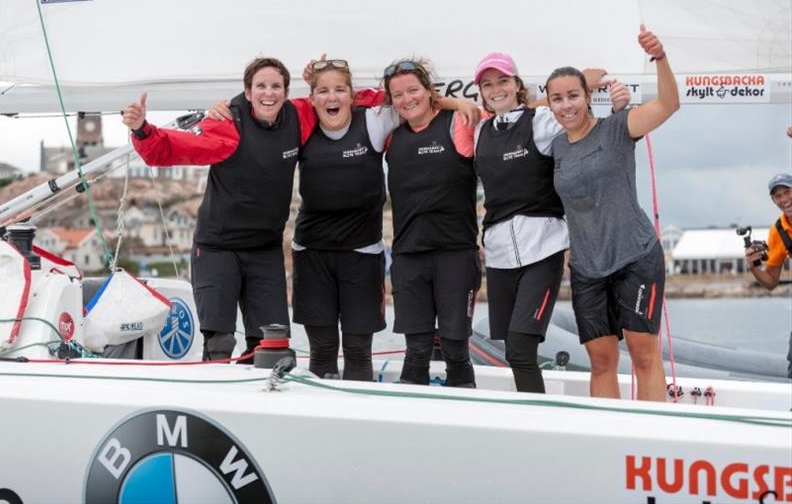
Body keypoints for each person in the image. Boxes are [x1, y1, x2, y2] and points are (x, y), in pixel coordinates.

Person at [209, 57, 478, 381]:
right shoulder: (303, 126)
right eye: (323, 91)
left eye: (340, 89)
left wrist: (458, 101)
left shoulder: (375, 121)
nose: (331, 97)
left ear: (353, 95)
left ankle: (359, 425)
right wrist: (226, 106)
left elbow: (413, 104)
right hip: (312, 253)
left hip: (362, 254)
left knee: (357, 350)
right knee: (322, 350)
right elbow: (262, 114)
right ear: (311, 99)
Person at [122, 57, 316, 362]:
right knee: (220, 342)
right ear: (248, 92)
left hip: (264, 249)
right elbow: (173, 148)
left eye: (276, 86)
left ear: (287, 92)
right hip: (218, 248)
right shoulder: (227, 124)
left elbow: (343, 99)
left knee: (271, 344)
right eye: (261, 86)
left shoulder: (299, 117)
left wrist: (402, 91)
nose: (269, 93)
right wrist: (142, 130)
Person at [471, 54, 630, 393]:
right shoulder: (481, 130)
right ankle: (533, 423)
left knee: (520, 346)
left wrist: (587, 86)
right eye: (488, 84)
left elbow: (575, 118)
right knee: (513, 350)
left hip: (543, 249)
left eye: (503, 81)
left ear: (518, 85)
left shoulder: (541, 120)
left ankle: (538, 423)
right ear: (481, 92)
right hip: (499, 255)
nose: (496, 89)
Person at [546, 25, 680, 401]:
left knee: (642, 356)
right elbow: (523, 108)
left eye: (573, 96)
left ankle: (651, 439)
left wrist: (660, 58)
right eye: (556, 99)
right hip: (587, 269)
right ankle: (609, 441)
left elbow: (669, 105)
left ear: (588, 98)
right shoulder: (555, 146)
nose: (565, 105)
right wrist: (586, 77)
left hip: (635, 257)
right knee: (601, 361)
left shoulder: (617, 128)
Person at [383, 59, 481, 388]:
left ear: (429, 92)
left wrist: (453, 102)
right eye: (398, 94)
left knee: (455, 349)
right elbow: (350, 103)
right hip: (409, 256)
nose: (406, 99)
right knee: (416, 352)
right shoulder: (391, 137)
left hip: (455, 253)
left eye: (413, 90)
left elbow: (502, 112)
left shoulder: (458, 123)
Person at [746, 170, 792, 379]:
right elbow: (771, 282)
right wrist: (754, 266)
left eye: (787, 191)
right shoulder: (778, 231)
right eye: (777, 195)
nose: (784, 199)